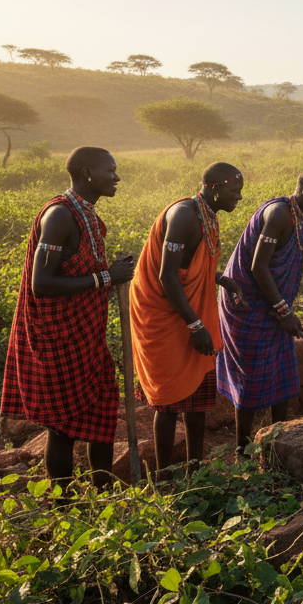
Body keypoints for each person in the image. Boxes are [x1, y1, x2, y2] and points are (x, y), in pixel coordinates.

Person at [0, 146, 137, 490]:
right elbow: (42, 283)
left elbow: (80, 275)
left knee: (102, 416)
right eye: (111, 170)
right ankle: (62, 504)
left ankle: (102, 495)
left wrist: (111, 272)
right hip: (57, 339)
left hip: (87, 338)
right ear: (88, 173)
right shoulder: (60, 216)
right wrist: (108, 277)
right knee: (62, 427)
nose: (117, 177)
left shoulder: (86, 214)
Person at [129, 163, 245, 474]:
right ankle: (165, 475)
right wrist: (196, 326)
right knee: (168, 402)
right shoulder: (183, 216)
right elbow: (168, 276)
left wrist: (219, 278)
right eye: (235, 191)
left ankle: (197, 469)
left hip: (190, 309)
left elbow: (190, 266)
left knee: (198, 396)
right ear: (216, 187)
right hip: (164, 314)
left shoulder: (206, 215)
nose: (239, 197)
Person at [217, 169, 303, 449]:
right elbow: (258, 266)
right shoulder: (280, 214)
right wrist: (283, 311)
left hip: (272, 305)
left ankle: (279, 443)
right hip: (248, 307)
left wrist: (282, 310)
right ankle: (243, 452)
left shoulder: (297, 215)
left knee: (282, 372)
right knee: (251, 380)